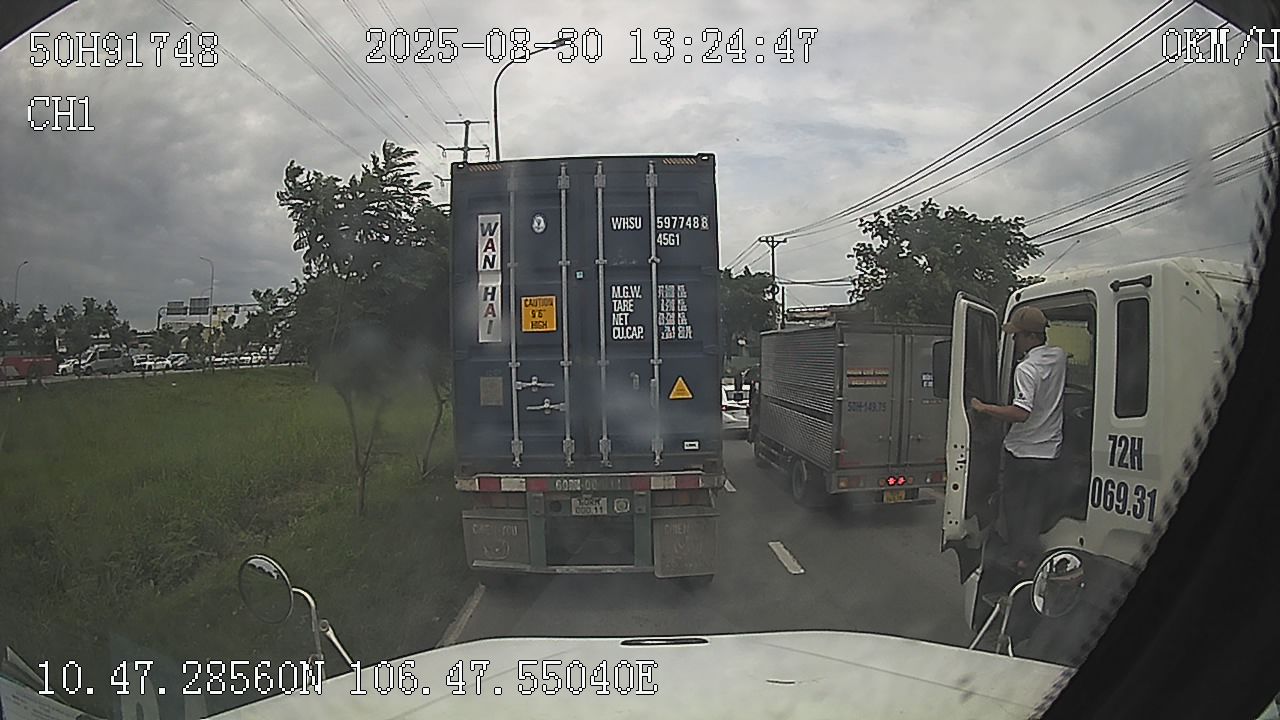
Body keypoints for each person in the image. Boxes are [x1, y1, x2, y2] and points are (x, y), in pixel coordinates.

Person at [969, 305, 1068, 574]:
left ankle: (1018, 558)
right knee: (1035, 506)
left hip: (1023, 452)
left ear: (1030, 337)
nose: (1014, 339)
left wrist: (984, 408)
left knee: (1014, 508)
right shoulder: (1058, 357)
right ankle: (1029, 555)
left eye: (1017, 335)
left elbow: (1021, 413)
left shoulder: (1026, 369)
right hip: (1049, 451)